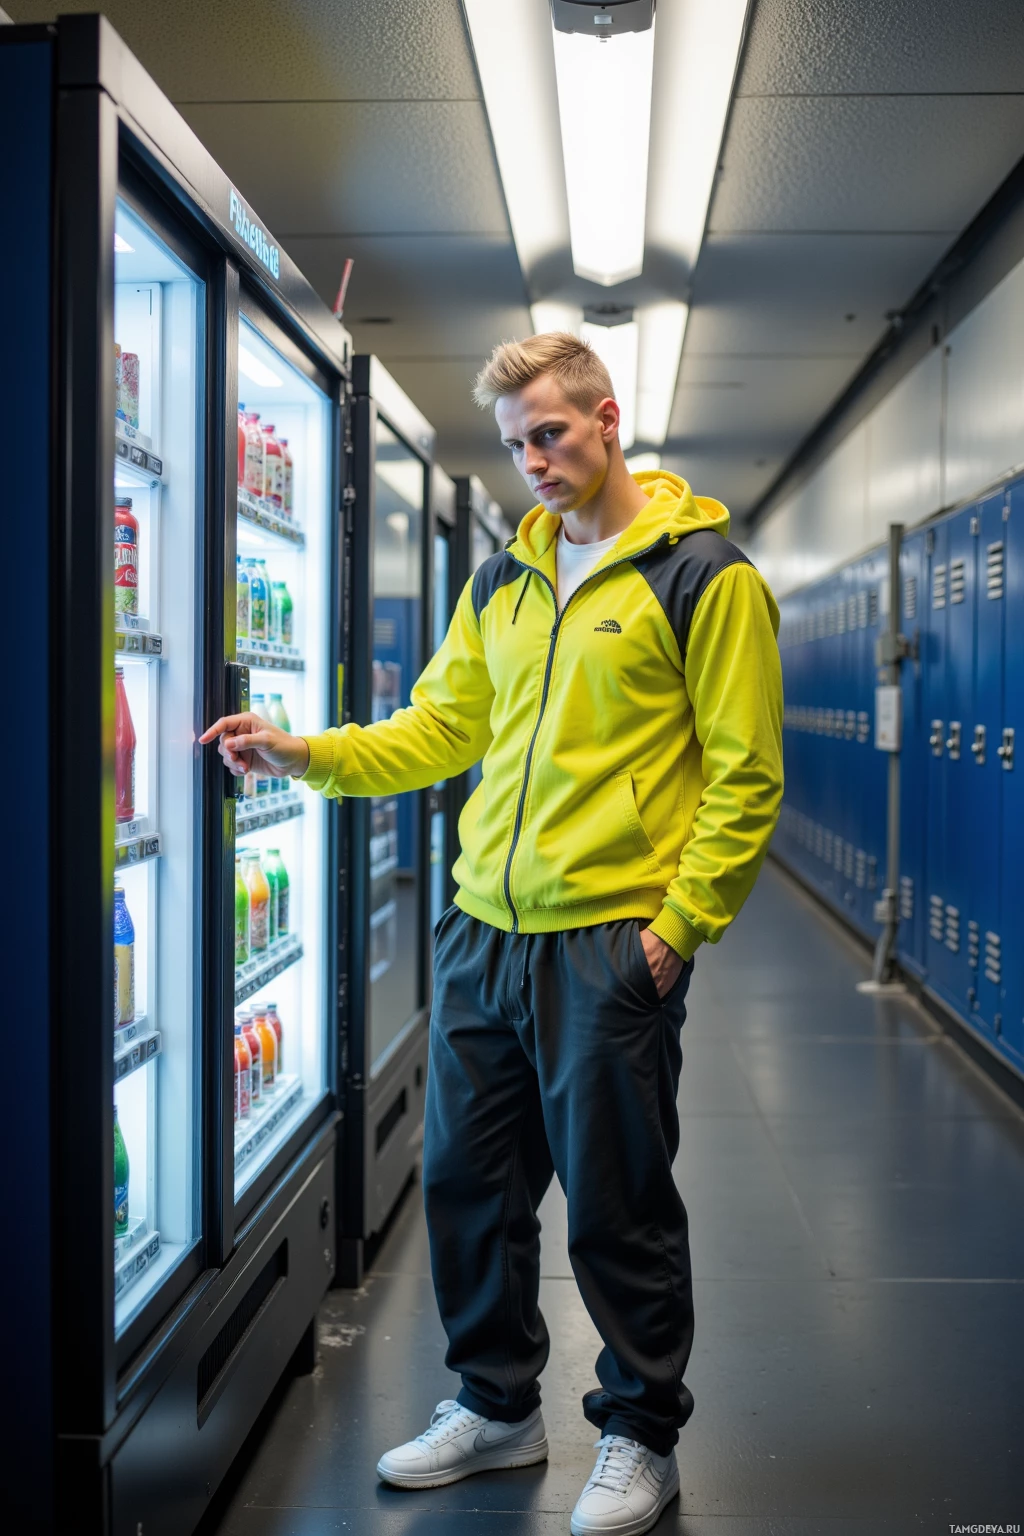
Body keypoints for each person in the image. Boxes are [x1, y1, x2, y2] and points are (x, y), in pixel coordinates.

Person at [201, 332, 784, 1536]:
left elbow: (745, 777)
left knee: (617, 1199)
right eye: (516, 443)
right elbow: (436, 731)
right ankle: (496, 1405)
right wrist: (302, 752)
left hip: (607, 942)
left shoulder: (701, 576)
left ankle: (637, 1432)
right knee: (469, 1184)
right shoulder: (500, 586)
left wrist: (676, 930)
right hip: (483, 934)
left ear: (608, 419)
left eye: (551, 434)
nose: (532, 461)